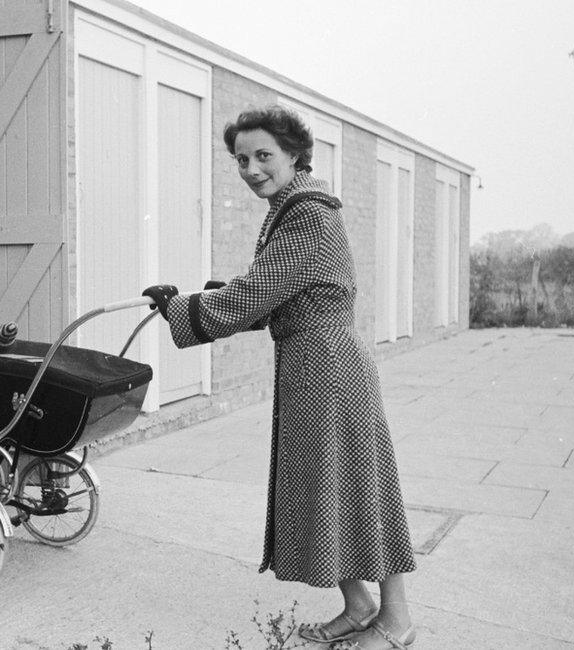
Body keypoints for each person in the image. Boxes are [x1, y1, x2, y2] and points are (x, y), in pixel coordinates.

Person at [142, 106, 417, 650]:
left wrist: (184, 308)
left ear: (295, 154)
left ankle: (398, 619)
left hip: (331, 367)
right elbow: (275, 289)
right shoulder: (290, 209)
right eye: (242, 158)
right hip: (310, 364)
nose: (250, 168)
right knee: (323, 484)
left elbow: (255, 294)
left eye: (263, 155)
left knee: (357, 485)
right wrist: (213, 296)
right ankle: (359, 604)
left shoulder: (307, 214)